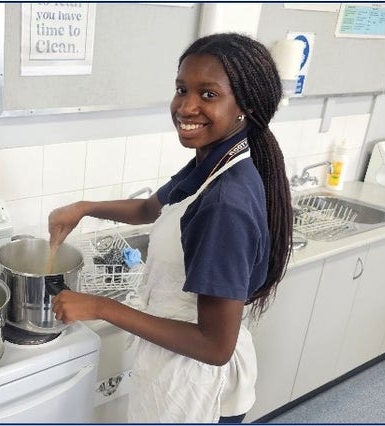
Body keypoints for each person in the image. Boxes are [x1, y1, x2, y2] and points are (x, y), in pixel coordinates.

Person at [48, 33, 293, 423]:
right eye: (182, 89)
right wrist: (85, 207)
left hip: (197, 389)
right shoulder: (213, 160)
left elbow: (215, 346)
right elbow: (150, 207)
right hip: (174, 372)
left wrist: (99, 306)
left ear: (244, 105)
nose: (186, 106)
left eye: (208, 94)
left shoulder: (224, 205)